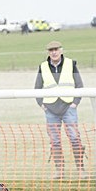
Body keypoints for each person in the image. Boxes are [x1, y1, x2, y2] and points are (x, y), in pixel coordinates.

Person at [34, 40, 87, 179]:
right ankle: (60, 171)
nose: (54, 52)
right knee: (55, 141)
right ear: (48, 52)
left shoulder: (71, 64)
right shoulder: (43, 67)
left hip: (69, 107)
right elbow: (37, 88)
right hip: (51, 110)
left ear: (61, 50)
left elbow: (79, 85)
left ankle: (81, 169)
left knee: (75, 138)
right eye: (51, 50)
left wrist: (75, 102)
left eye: (56, 49)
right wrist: (42, 105)